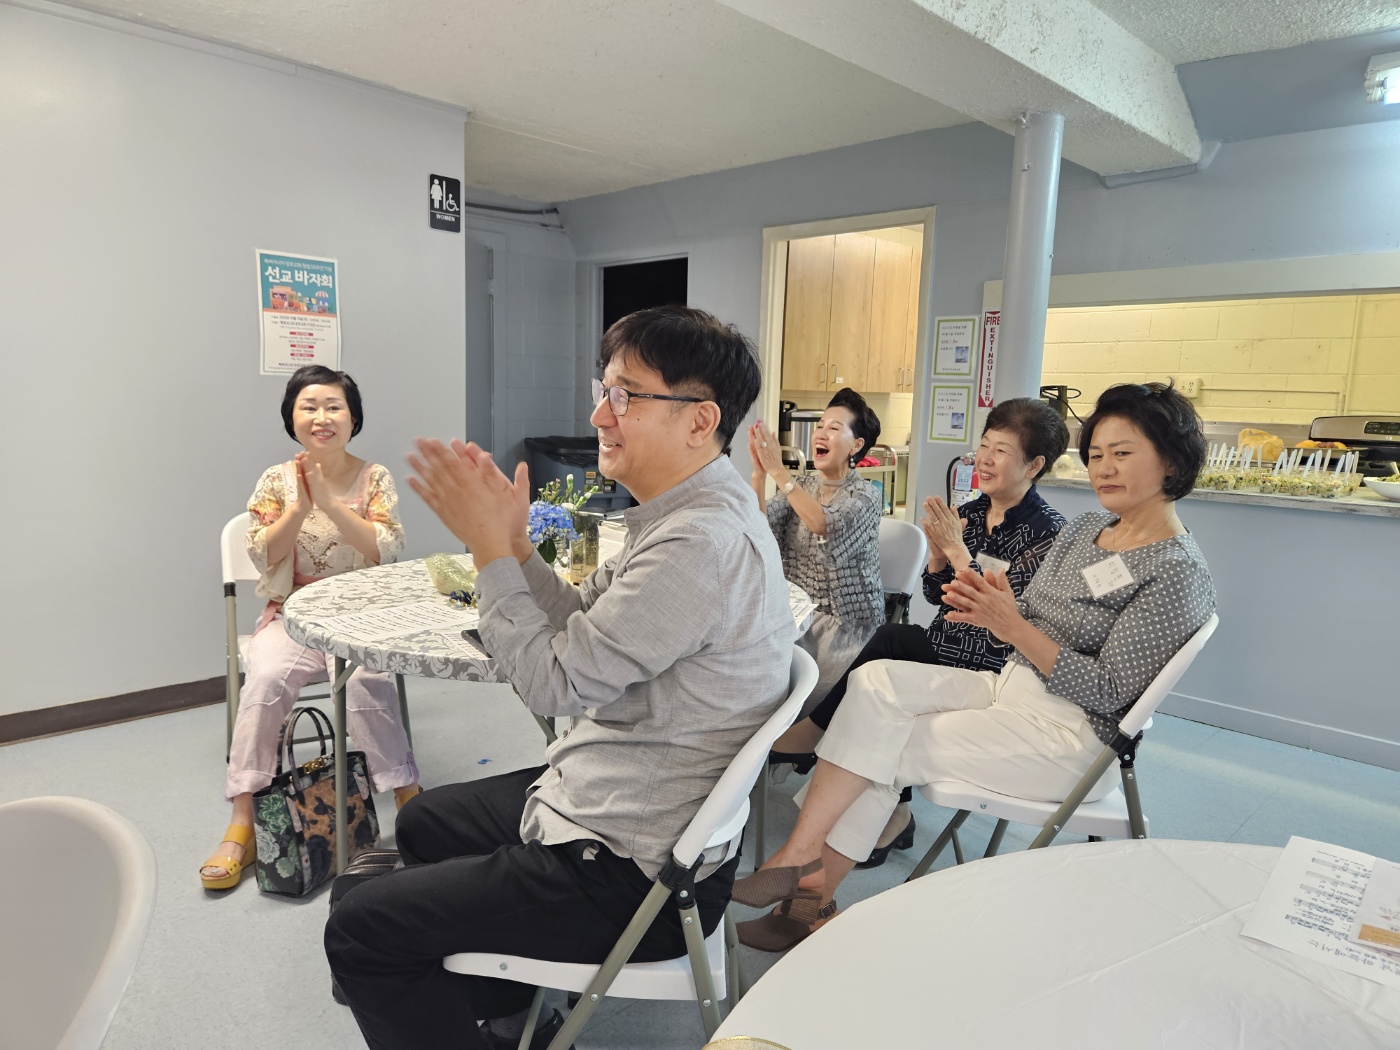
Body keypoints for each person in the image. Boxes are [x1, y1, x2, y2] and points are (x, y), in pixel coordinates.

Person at [324, 306, 795, 1050]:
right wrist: (515, 547)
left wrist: (489, 554)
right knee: (422, 822)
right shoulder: (686, 512)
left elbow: (555, 684)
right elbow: (581, 623)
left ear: (700, 420)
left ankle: (486, 1001)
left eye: (625, 396)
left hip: (633, 871)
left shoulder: (699, 543)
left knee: (358, 929)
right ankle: (513, 1008)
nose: (599, 414)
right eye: (603, 390)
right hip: (628, 800)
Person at [732, 382, 1214, 952]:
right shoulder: (1089, 529)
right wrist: (983, 593)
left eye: (1122, 453)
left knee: (884, 739)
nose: (1103, 468)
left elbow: (1111, 691)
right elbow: (1023, 611)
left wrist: (1008, 621)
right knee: (874, 680)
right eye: (1096, 454)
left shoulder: (1175, 570)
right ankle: (799, 860)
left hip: (1071, 735)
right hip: (1010, 686)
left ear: (1172, 461)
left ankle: (807, 893)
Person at [766, 398, 1069, 873]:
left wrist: (956, 552)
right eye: (984, 446)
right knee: (891, 643)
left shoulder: (1048, 534)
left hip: (991, 664)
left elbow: (1002, 622)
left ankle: (856, 781)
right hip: (946, 644)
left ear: (1034, 465)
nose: (985, 459)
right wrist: (937, 560)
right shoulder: (971, 511)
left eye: (1002, 451)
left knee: (887, 671)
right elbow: (937, 595)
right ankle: (876, 802)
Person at [201, 366, 420, 891]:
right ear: (292, 418)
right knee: (265, 682)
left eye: (334, 406)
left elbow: (385, 549)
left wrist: (330, 504)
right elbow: (264, 554)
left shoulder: (375, 478)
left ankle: (409, 804)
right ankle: (243, 820)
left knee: (366, 683)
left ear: (353, 418)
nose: (322, 417)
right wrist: (300, 506)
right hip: (293, 615)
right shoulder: (275, 480)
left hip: (359, 618)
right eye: (309, 406)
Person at [747, 388, 884, 715]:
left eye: (834, 428)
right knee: (760, 696)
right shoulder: (804, 485)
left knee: (800, 713)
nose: (821, 433)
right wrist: (759, 475)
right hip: (795, 615)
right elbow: (759, 528)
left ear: (856, 445)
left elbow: (825, 524)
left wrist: (779, 473)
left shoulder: (865, 495)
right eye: (820, 426)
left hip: (845, 629)